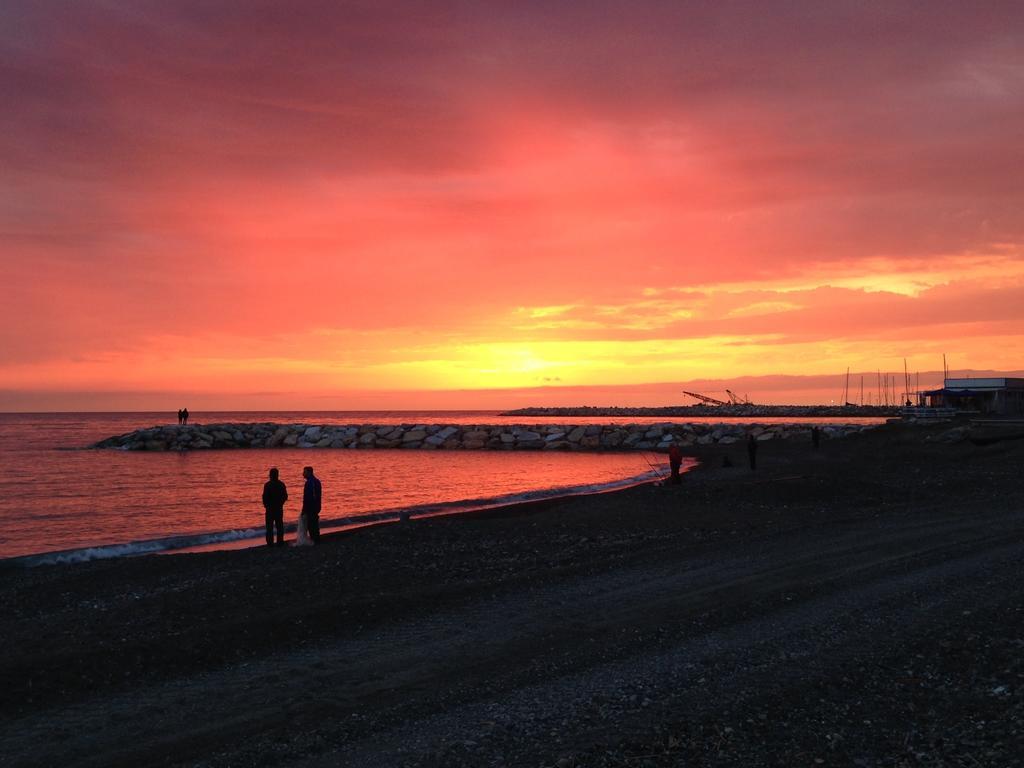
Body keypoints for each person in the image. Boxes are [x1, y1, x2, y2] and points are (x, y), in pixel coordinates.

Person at [262, 468, 288, 547]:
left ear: (270, 475)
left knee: (269, 527)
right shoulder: (281, 484)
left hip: (270, 509)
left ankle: (270, 543)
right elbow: (285, 496)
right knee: (279, 526)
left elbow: (264, 497)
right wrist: (281, 503)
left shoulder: (268, 485)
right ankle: (280, 542)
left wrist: (266, 505)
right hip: (278, 508)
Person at [302, 466, 322, 544]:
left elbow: (308, 497)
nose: (303, 474)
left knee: (311, 525)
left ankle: (314, 541)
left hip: (311, 507)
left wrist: (304, 509)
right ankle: (316, 540)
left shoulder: (310, 482)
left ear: (309, 473)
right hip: (316, 506)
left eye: (304, 472)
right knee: (315, 524)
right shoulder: (317, 481)